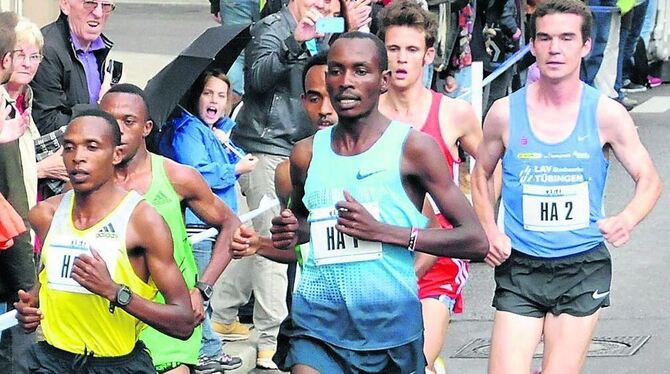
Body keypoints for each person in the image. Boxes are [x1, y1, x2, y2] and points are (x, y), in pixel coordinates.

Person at [270, 32, 488, 374]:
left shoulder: (414, 149)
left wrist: (385, 232)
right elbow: (303, 224)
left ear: (383, 81)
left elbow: (475, 240)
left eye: (360, 71)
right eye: (336, 71)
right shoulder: (306, 154)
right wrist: (289, 230)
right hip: (318, 323)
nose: (345, 82)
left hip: (390, 329)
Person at [471, 1, 662, 373]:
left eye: (566, 38)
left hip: (582, 266)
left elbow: (649, 179)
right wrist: (490, 231)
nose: (555, 48)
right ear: (533, 44)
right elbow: (480, 174)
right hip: (521, 266)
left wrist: (627, 217)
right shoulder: (505, 113)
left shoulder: (606, 113)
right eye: (545, 38)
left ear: (586, 45)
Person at [14, 109, 196, 373]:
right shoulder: (45, 214)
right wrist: (30, 306)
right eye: (69, 147)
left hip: (115, 364)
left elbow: (183, 323)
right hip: (50, 361)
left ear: (116, 155)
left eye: (92, 147)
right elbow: (46, 280)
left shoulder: (143, 221)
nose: (78, 158)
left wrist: (114, 292)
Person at [99, 84, 243, 374]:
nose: (119, 131)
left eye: (129, 121)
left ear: (146, 127)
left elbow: (230, 224)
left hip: (168, 319)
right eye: (109, 122)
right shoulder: (88, 184)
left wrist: (202, 290)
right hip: (108, 319)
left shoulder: (176, 176)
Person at [376, 2, 486, 373]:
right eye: (393, 49)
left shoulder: (454, 114)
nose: (401, 59)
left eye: (411, 50)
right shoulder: (367, 115)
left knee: (413, 357)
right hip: (380, 248)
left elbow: (488, 167)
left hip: (439, 252)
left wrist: (486, 222)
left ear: (429, 55)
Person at [30, 0, 116, 197]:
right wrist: (101, 109)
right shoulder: (47, 50)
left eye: (106, 5)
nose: (98, 12)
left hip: (89, 172)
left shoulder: (99, 46)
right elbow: (47, 123)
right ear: (65, 4)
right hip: (54, 184)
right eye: (89, 3)